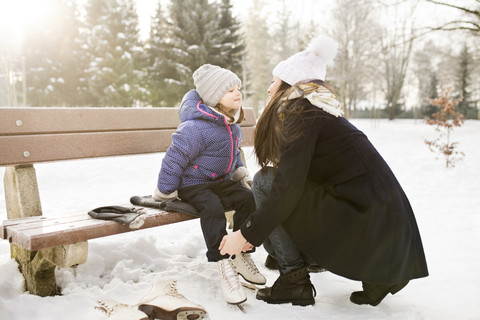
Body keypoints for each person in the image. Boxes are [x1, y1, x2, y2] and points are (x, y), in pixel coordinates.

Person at [219, 36, 429, 307]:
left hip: (368, 221)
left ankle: (294, 279)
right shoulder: (320, 109)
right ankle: (378, 278)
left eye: (275, 81)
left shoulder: (301, 113)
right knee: (272, 225)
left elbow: (287, 187)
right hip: (383, 227)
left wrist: (245, 233)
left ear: (289, 84)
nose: (270, 90)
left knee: (264, 182)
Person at [153, 64, 266, 305]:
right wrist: (165, 189)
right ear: (215, 98)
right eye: (229, 91)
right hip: (193, 184)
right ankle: (223, 260)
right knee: (213, 208)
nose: (238, 93)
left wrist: (239, 173)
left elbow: (233, 154)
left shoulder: (231, 126)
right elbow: (174, 158)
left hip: (219, 182)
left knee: (247, 198)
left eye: (238, 88)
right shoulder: (195, 128)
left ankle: (241, 253)